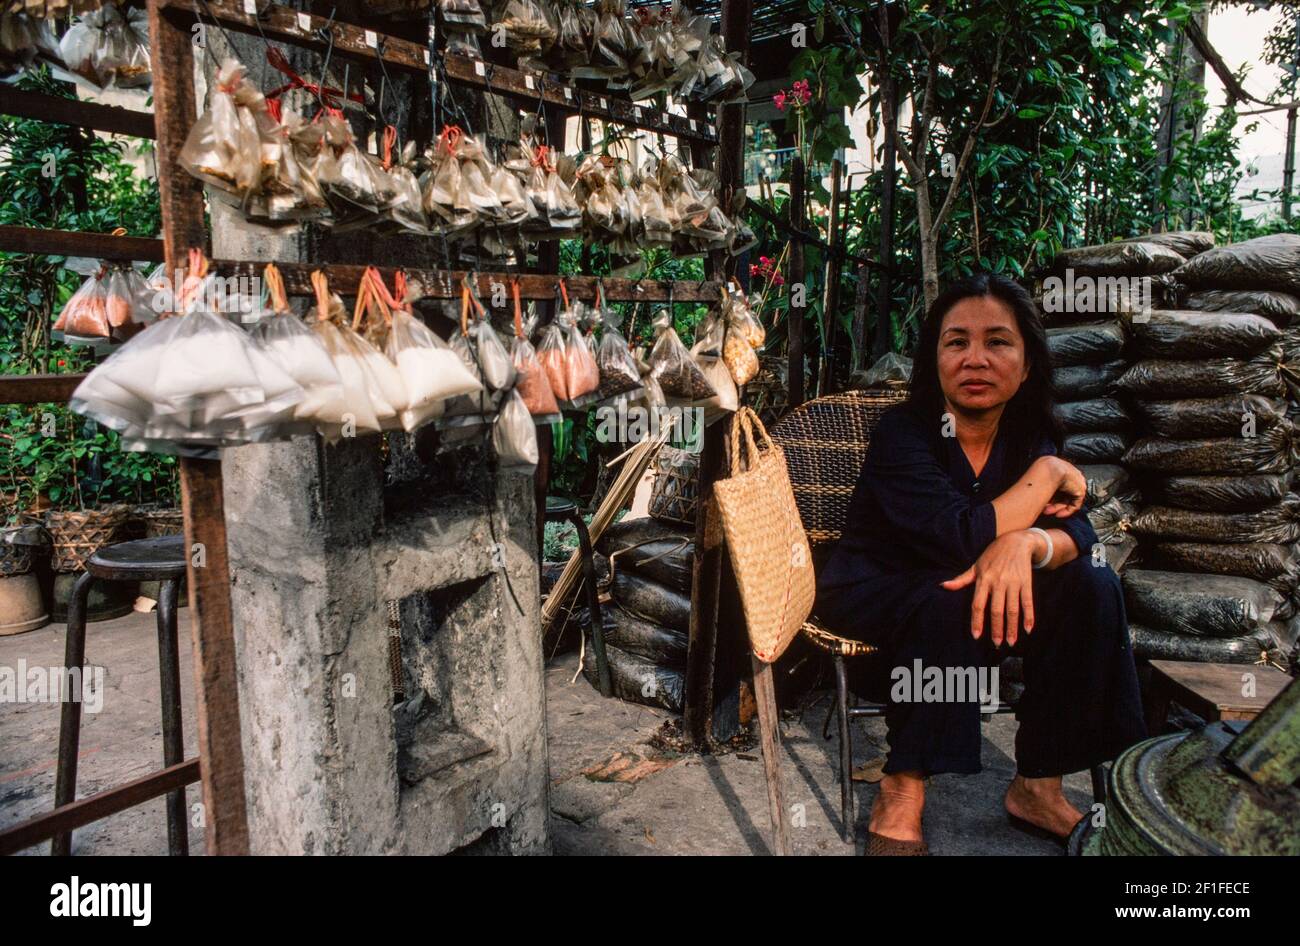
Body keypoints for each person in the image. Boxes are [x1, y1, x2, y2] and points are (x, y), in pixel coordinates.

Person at [815, 273, 1146, 856]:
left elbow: (1077, 528)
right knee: (953, 589)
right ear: (935, 359)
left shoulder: (1029, 434)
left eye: (998, 341)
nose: (976, 359)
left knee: (1092, 584)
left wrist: (1026, 546)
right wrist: (1045, 479)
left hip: (973, 599)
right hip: (876, 596)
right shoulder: (903, 432)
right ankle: (903, 783)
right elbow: (958, 536)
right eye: (956, 341)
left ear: (1025, 364)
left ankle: (1038, 784)